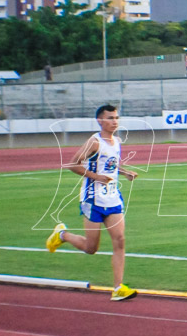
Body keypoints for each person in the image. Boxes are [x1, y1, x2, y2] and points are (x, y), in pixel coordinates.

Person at [46, 104, 138, 301]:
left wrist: (125, 172)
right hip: (92, 199)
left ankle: (118, 287)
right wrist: (95, 176)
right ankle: (62, 234)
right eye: (110, 118)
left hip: (112, 197)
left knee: (120, 240)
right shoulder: (94, 142)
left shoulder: (117, 141)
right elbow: (72, 164)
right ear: (100, 121)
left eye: (116, 118)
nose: (115, 121)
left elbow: (111, 164)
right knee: (91, 248)